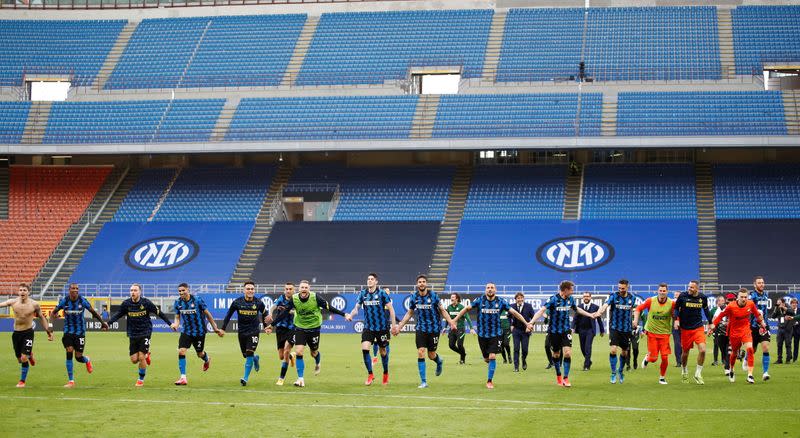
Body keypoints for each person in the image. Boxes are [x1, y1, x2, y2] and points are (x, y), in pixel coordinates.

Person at [270, 280, 351, 388]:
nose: (304, 289)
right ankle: (300, 379)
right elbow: (284, 313)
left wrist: (344, 314)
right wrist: (272, 325)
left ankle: (318, 362)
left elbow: (329, 307)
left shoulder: (315, 297)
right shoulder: (294, 299)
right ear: (299, 289)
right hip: (300, 328)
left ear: (309, 289)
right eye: (302, 287)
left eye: (306, 287)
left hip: (314, 329)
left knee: (314, 352)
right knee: (298, 352)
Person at [452, 283, 532, 389]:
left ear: (495, 290)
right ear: (485, 290)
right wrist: (454, 320)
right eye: (488, 288)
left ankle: (489, 381)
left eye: (492, 288)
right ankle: (490, 366)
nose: (490, 289)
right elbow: (466, 309)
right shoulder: (480, 300)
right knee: (487, 359)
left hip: (496, 334)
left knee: (492, 356)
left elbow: (515, 313)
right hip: (482, 335)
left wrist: (526, 323)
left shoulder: (501, 301)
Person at [393, 275, 457, 388]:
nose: (421, 283)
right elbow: (409, 313)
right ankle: (423, 382)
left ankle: (439, 361)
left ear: (426, 284)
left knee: (431, 355)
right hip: (421, 329)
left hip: (434, 329)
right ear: (417, 284)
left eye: (423, 281)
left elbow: (442, 310)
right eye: (419, 282)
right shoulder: (414, 297)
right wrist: (400, 326)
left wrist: (451, 322)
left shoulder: (434, 296)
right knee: (421, 352)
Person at [530, 280, 597, 387]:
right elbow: (541, 311)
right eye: (571, 290)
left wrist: (590, 315)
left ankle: (566, 378)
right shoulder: (553, 299)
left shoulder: (570, 299)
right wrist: (531, 322)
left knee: (567, 353)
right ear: (565, 290)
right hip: (554, 332)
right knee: (556, 354)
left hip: (566, 330)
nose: (573, 292)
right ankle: (559, 376)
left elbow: (577, 309)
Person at [105, 283, 174, 387]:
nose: (133, 292)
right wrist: (108, 324)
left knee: (141, 357)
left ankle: (140, 379)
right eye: (131, 290)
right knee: (134, 360)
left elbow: (159, 313)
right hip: (132, 333)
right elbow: (118, 314)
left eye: (135, 290)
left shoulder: (146, 303)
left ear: (140, 292)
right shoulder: (126, 304)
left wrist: (170, 324)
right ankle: (147, 354)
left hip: (145, 332)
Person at [51, 283, 108, 387]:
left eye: (77, 288)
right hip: (68, 331)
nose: (75, 290)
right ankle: (71, 381)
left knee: (78, 357)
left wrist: (102, 322)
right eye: (73, 288)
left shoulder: (83, 300)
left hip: (80, 332)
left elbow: (93, 312)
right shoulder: (64, 301)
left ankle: (87, 360)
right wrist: (50, 326)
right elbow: (53, 312)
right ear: (69, 290)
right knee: (69, 351)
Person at [347, 273, 396, 386]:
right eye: (368, 279)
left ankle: (385, 372)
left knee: (383, 352)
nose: (369, 281)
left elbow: (391, 310)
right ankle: (370, 374)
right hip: (368, 327)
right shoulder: (363, 293)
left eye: (372, 279)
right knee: (365, 349)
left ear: (376, 282)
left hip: (382, 328)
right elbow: (356, 308)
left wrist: (394, 326)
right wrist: (351, 315)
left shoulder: (382, 293)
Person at [0, 283, 53, 387]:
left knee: (23, 358)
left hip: (28, 332)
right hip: (16, 333)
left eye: (24, 290)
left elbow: (41, 317)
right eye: (20, 290)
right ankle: (29, 354)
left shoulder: (34, 304)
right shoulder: (13, 302)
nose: (22, 292)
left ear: (28, 292)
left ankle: (22, 381)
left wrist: (48, 332)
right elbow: (1, 304)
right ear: (18, 292)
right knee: (20, 359)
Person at [710, 288, 767, 384]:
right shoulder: (731, 306)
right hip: (734, 332)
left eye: (745, 297)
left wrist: (762, 323)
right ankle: (731, 369)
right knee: (734, 353)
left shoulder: (750, 304)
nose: (744, 299)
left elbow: (757, 314)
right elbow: (721, 315)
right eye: (741, 297)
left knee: (750, 349)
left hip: (746, 330)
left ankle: (750, 375)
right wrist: (713, 325)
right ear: (738, 297)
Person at [170, 283, 223, 386]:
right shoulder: (177, 302)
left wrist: (215, 328)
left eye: (183, 290)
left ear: (188, 290)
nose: (181, 293)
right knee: (181, 351)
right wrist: (176, 324)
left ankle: (207, 359)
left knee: (200, 354)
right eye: (179, 291)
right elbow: (177, 316)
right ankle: (183, 377)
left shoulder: (197, 300)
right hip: (186, 331)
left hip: (199, 332)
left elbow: (208, 314)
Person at [220, 281, 269, 386]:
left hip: (254, 331)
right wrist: (223, 328)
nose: (250, 291)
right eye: (248, 289)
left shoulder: (259, 303)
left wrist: (266, 327)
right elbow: (228, 315)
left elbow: (265, 314)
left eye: (252, 289)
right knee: (246, 355)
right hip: (242, 332)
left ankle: (245, 378)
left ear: (254, 290)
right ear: (244, 290)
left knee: (249, 352)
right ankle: (256, 359)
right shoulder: (237, 302)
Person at [593, 279, 636, 384]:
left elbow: (634, 310)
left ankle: (620, 371)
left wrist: (635, 320)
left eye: (623, 288)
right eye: (619, 288)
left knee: (625, 352)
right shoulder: (614, 296)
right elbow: (605, 305)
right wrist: (599, 312)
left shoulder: (632, 298)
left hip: (626, 329)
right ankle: (613, 373)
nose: (621, 290)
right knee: (613, 350)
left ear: (627, 287)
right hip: (615, 328)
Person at [673, 280, 713, 384]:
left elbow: (706, 310)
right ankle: (684, 371)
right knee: (685, 353)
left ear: (697, 289)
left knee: (703, 350)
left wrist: (710, 322)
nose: (689, 289)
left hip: (698, 327)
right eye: (689, 286)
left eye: (692, 287)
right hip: (685, 328)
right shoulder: (682, 296)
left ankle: (698, 374)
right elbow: (676, 309)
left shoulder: (703, 298)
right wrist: (676, 320)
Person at [633, 283, 674, 384]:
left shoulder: (671, 303)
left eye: (664, 291)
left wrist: (677, 321)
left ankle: (662, 378)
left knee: (664, 357)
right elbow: (638, 309)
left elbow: (676, 314)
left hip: (665, 334)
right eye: (660, 290)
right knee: (654, 358)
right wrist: (635, 320)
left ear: (667, 292)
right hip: (652, 333)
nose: (662, 292)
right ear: (657, 291)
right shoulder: (650, 301)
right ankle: (648, 358)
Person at [268, 282, 296, 386]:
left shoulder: (297, 300)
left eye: (290, 289)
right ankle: (291, 356)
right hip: (280, 328)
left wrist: (290, 311)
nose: (288, 291)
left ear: (294, 290)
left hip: (292, 328)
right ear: (284, 290)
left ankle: (281, 378)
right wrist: (270, 313)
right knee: (281, 356)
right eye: (287, 289)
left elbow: (298, 312)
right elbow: (273, 306)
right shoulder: (281, 298)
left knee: (286, 351)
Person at [572, 291, 603, 371]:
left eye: (587, 296)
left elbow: (599, 320)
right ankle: (588, 361)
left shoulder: (596, 307)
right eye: (584, 296)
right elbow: (575, 319)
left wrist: (602, 330)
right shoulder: (579, 307)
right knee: (582, 348)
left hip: (590, 330)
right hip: (581, 330)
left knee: (587, 347)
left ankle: (586, 366)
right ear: (583, 298)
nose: (586, 298)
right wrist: (572, 328)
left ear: (590, 297)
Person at [750, 276, 772, 380]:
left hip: (764, 326)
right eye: (759, 283)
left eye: (762, 282)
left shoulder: (766, 295)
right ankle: (746, 358)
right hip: (753, 326)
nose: (761, 284)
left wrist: (764, 322)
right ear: (755, 284)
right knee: (752, 350)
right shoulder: (752, 295)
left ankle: (765, 372)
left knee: (765, 348)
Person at [446, 293, 474, 364]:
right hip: (452, 329)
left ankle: (462, 359)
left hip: (460, 329)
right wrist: (445, 327)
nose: (451, 298)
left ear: (457, 299)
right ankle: (463, 353)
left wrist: (471, 328)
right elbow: (447, 318)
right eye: (451, 297)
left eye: (453, 297)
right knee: (451, 345)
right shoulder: (449, 307)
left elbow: (467, 318)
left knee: (459, 344)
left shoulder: (462, 307)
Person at [510, 292, 535, 372]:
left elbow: (533, 317)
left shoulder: (529, 306)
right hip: (516, 331)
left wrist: (530, 326)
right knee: (516, 349)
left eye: (521, 298)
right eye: (518, 298)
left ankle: (524, 360)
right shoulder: (512, 307)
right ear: (516, 299)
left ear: (523, 298)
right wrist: (511, 325)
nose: (520, 299)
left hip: (525, 331)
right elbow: (508, 317)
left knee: (525, 350)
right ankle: (516, 367)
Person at [713, 293, 735, 375]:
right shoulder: (721, 308)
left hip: (732, 333)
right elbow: (715, 318)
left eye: (732, 299)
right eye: (729, 300)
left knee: (728, 350)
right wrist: (714, 326)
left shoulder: (737, 307)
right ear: (726, 300)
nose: (731, 301)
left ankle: (727, 368)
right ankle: (727, 363)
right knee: (723, 350)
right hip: (721, 332)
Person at [773, 297, 795, 364]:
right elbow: (773, 316)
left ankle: (788, 359)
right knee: (779, 344)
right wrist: (776, 308)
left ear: (783, 303)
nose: (778, 304)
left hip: (787, 329)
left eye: (779, 303)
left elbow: (792, 312)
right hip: (780, 329)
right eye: (778, 303)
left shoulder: (788, 307)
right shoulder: (777, 308)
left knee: (788, 344)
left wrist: (784, 308)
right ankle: (779, 359)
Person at [711, 295, 726, 366]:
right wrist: (710, 328)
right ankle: (715, 360)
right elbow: (711, 320)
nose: (722, 302)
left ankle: (724, 360)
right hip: (716, 329)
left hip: (724, 329)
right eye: (721, 300)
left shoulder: (726, 308)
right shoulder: (713, 310)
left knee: (723, 345)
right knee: (716, 344)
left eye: (723, 300)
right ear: (717, 301)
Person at [671, 291, 683, 366]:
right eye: (675, 295)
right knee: (677, 343)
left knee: (681, 343)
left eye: (677, 295)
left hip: (683, 324)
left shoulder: (682, 302)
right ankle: (679, 361)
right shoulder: (672, 302)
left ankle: (680, 360)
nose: (676, 297)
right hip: (676, 324)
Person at [792, 298, 800, 363]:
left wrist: (798, 322)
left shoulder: (799, 310)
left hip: (798, 330)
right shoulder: (789, 310)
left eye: (795, 303)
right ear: (791, 304)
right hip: (790, 330)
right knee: (788, 344)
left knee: (796, 345)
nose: (794, 304)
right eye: (793, 303)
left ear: (797, 304)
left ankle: (795, 359)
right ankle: (789, 358)